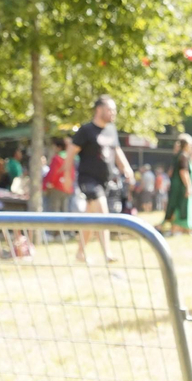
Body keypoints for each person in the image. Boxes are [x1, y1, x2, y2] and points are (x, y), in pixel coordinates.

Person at [69, 95, 136, 263]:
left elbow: (116, 150)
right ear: (99, 110)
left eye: (114, 110)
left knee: (91, 219)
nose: (113, 113)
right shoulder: (86, 131)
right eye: (109, 109)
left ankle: (80, 253)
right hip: (88, 180)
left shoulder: (111, 129)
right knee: (102, 212)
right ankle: (107, 253)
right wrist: (65, 175)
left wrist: (126, 168)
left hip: (104, 181)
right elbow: (71, 153)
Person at [160, 133, 192, 236]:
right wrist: (188, 187)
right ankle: (176, 229)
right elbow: (183, 172)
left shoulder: (178, 156)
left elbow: (170, 172)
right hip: (182, 187)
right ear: (186, 145)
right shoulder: (183, 156)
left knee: (177, 206)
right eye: (191, 145)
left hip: (176, 187)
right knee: (181, 207)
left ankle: (185, 230)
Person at [43, 137, 74, 213]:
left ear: (58, 147)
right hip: (66, 188)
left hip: (56, 187)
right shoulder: (69, 158)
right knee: (64, 210)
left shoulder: (57, 158)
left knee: (54, 210)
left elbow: (53, 173)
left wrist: (49, 184)